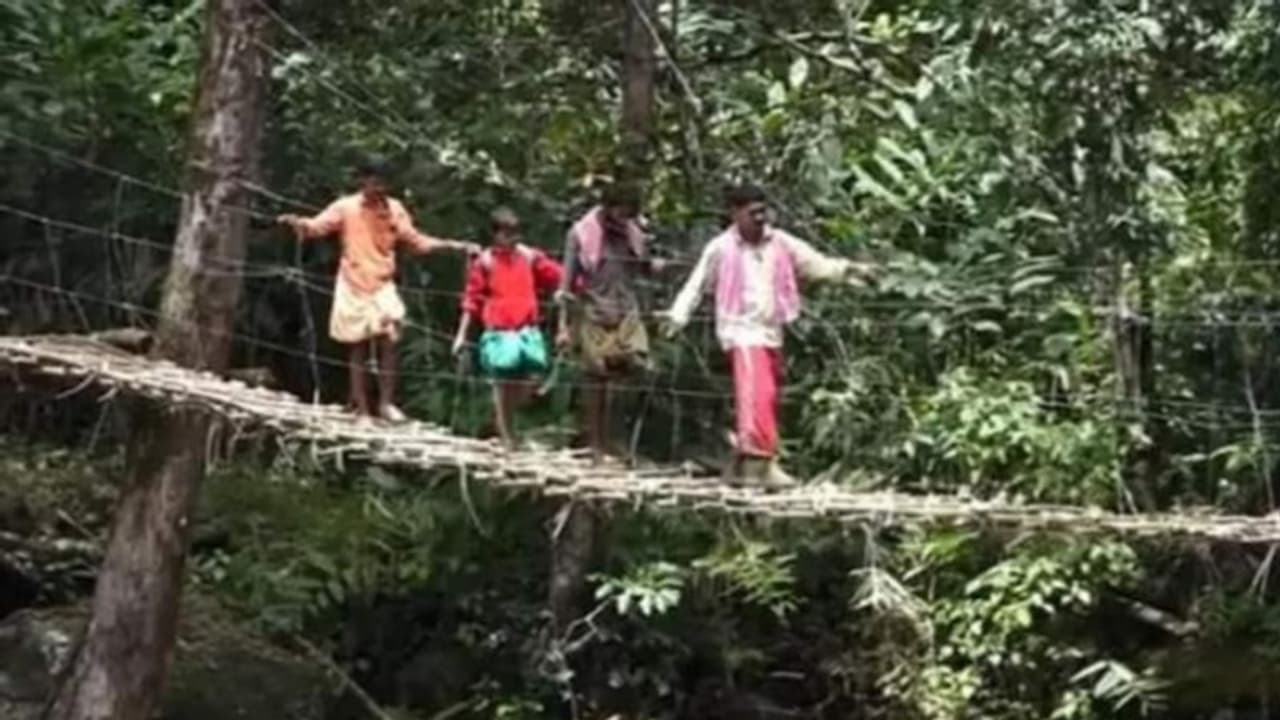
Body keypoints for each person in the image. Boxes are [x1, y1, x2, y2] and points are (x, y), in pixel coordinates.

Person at [662, 183, 874, 486]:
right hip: (740, 329)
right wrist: (677, 316)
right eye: (753, 213)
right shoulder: (721, 248)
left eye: (763, 211)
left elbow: (815, 264)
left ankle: (743, 465)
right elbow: (696, 285)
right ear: (734, 213)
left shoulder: (780, 242)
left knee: (766, 396)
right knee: (756, 394)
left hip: (770, 330)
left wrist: (851, 271)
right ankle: (759, 464)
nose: (760, 218)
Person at [277, 158, 478, 423]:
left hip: (382, 282)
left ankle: (385, 403)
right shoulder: (346, 207)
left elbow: (416, 241)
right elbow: (317, 226)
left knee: (390, 340)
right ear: (363, 181)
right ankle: (361, 408)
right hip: (353, 281)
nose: (378, 187)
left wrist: (452, 245)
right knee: (358, 346)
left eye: (383, 182)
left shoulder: (394, 209)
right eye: (374, 181)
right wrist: (299, 224)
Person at [555, 182, 665, 463]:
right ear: (608, 208)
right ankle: (596, 444)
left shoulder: (633, 234)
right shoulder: (580, 234)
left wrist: (653, 261)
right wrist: (563, 326)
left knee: (635, 365)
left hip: (626, 312)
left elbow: (644, 268)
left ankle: (612, 437)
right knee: (596, 379)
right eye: (621, 212)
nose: (624, 219)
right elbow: (565, 286)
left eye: (629, 214)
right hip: (594, 311)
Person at [453, 207, 563, 449]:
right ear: (495, 235)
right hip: (500, 330)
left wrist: (575, 284)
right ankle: (507, 436)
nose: (512, 239)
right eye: (506, 234)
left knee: (530, 379)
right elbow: (471, 300)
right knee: (502, 384)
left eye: (515, 233)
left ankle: (506, 426)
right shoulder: (485, 262)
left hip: (527, 330)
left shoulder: (529, 257)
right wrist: (461, 335)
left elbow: (557, 275)